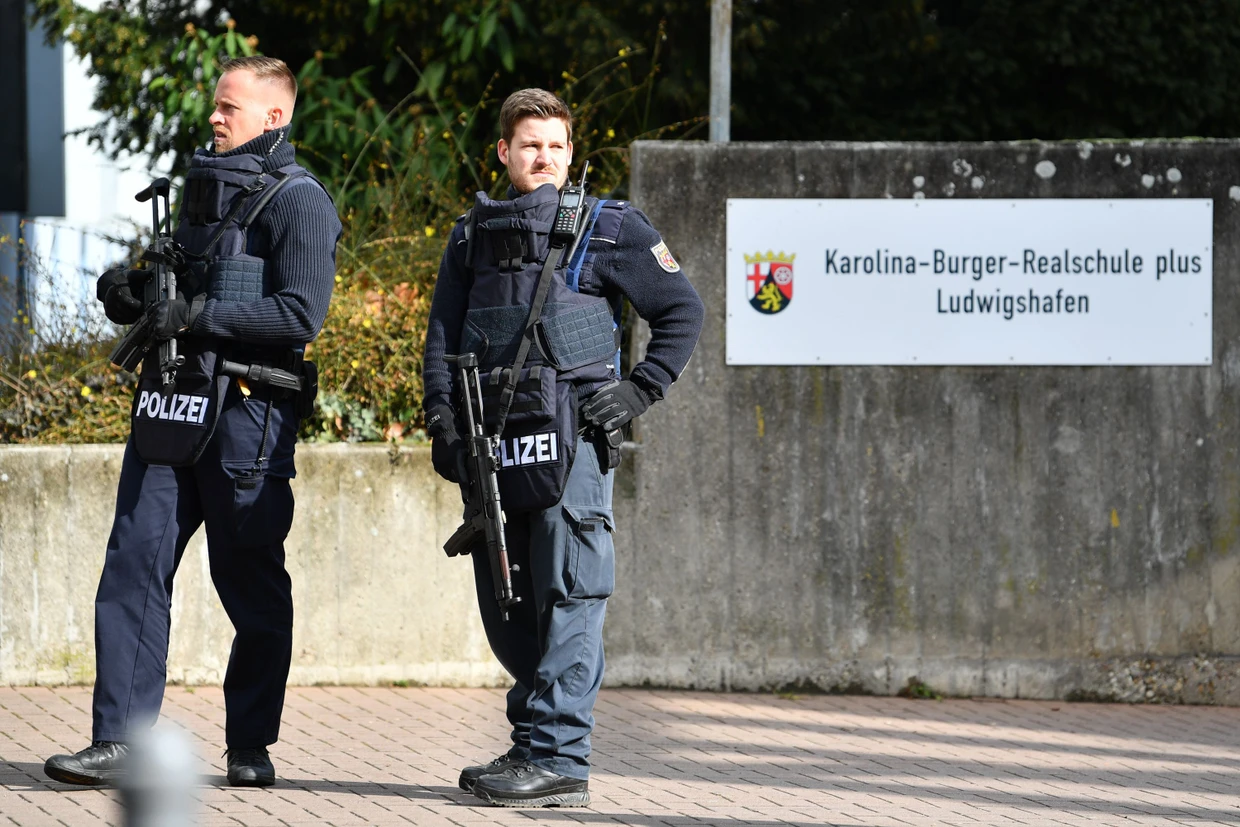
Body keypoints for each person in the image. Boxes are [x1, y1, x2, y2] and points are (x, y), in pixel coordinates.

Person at [44, 55, 341, 789]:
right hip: (171, 405)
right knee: (133, 569)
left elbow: (301, 312)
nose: (214, 116)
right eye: (215, 104)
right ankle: (118, 740)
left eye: (229, 107)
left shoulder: (300, 201)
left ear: (275, 116)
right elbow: (180, 281)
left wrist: (200, 315)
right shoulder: (202, 193)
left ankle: (249, 744)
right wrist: (133, 289)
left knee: (251, 584)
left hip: (248, 416)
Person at [422, 88, 704, 808]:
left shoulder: (608, 227)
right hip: (497, 445)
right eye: (529, 145)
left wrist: (641, 390)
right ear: (503, 153)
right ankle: (531, 741)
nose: (542, 156)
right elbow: (443, 343)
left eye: (555, 145)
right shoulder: (469, 237)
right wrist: (443, 425)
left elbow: (682, 310)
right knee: (509, 599)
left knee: (572, 591)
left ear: (571, 153)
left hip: (573, 442)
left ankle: (559, 756)